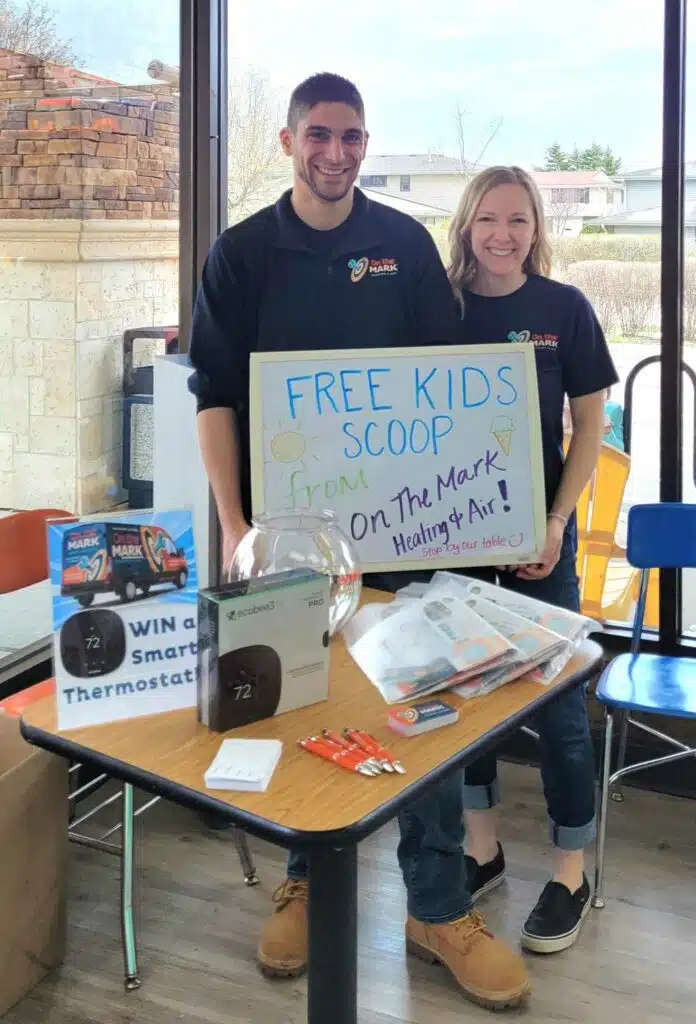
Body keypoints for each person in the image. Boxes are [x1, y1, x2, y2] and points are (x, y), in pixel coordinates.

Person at [187, 75, 531, 1011]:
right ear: (292, 141)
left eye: (351, 137)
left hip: (405, 538)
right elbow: (214, 398)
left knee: (421, 717)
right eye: (319, 136)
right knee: (305, 711)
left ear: (364, 144)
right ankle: (308, 877)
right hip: (289, 548)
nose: (335, 152)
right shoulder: (242, 255)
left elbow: (444, 392)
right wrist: (232, 527)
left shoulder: (403, 246)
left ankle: (436, 908)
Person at [448, 166, 618, 954]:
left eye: (518, 220)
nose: (503, 235)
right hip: (452, 549)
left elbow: (588, 429)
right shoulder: (436, 308)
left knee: (559, 717)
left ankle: (570, 872)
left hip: (538, 546)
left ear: (537, 227)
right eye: (489, 219)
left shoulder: (563, 310)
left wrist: (556, 520)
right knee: (466, 708)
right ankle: (481, 851)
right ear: (467, 224)